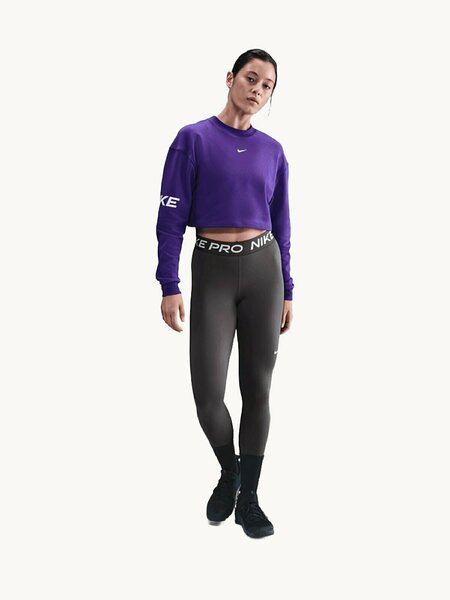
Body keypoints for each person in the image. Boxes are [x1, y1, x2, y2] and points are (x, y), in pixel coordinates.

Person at [155, 48, 294, 538]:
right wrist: (169, 283)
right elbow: (170, 218)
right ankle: (230, 471)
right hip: (211, 268)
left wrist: (288, 288)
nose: (257, 90)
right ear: (231, 77)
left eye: (267, 85)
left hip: (263, 270)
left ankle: (249, 499)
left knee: (257, 389)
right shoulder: (192, 139)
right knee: (207, 395)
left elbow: (282, 224)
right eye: (251, 78)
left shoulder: (273, 151)